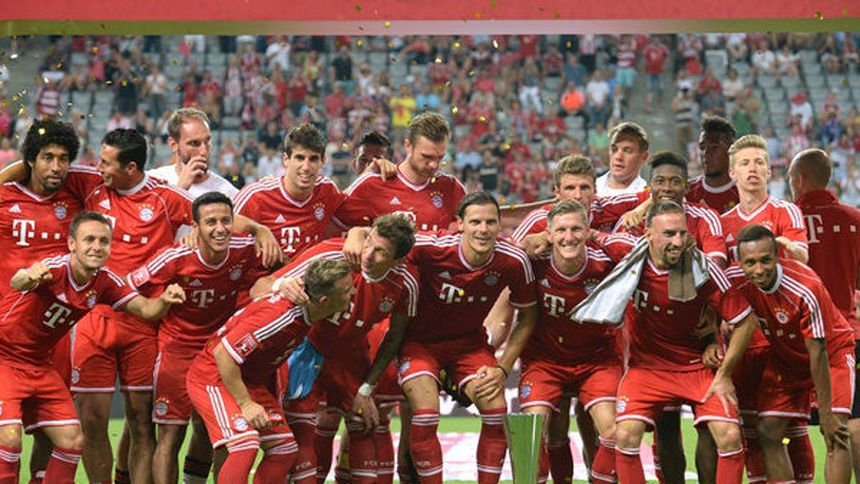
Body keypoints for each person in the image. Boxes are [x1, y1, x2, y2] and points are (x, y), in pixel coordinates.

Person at [65, 129, 277, 483]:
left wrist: (258, 229)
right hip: (95, 318)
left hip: (144, 322)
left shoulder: (165, 197)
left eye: (106, 162)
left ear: (130, 168)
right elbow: (34, 165)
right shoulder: (92, 184)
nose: (98, 167)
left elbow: (214, 218)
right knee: (92, 420)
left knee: (141, 423)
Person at [362, 191, 538, 483]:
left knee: (496, 411)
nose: (483, 229)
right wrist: (356, 235)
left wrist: (503, 368)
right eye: (475, 222)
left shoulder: (513, 260)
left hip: (469, 346)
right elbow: (384, 241)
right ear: (460, 224)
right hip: (419, 344)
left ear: (500, 225)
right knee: (426, 415)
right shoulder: (430, 247)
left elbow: (528, 316)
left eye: (490, 222)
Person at [0, 211, 186, 483]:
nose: (96, 247)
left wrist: (165, 300)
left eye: (103, 241)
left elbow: (147, 310)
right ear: (72, 243)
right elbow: (18, 282)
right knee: (9, 438)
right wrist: (29, 276)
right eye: (89, 240)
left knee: (73, 441)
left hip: (39, 364)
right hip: (4, 359)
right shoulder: (55, 268)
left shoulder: (105, 281)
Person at [597, 201, 759, 484]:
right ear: (648, 235)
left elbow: (746, 319)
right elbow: (590, 235)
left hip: (696, 366)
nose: (678, 241)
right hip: (646, 368)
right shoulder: (629, 254)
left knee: (730, 436)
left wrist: (724, 375)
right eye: (669, 234)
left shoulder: (703, 268)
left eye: (683, 233)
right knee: (625, 435)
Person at [257, 214, 419, 484]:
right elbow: (258, 288)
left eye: (381, 252)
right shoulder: (331, 254)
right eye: (369, 242)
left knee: (364, 424)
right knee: (303, 431)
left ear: (398, 260)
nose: (368, 254)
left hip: (352, 354)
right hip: (308, 348)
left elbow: (395, 338)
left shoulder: (406, 283)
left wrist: (367, 388)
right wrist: (281, 286)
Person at [129, 192, 268, 484]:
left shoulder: (245, 249)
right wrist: (162, 298)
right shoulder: (175, 256)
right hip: (177, 350)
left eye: (225, 221)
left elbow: (279, 267)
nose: (220, 229)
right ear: (195, 227)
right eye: (210, 222)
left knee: (217, 431)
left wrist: (262, 231)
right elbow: (130, 285)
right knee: (171, 433)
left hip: (219, 351)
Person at [186, 258, 354, 483]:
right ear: (324, 301)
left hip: (248, 380)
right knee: (245, 445)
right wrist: (246, 404)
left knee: (283, 449)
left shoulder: (306, 308)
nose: (353, 293)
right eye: (346, 291)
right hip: (214, 376)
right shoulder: (280, 316)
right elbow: (223, 354)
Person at [518, 200, 635, 483]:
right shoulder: (534, 262)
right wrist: (523, 243)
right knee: (529, 435)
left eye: (576, 230)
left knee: (614, 432)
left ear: (587, 231)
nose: (568, 237)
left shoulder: (604, 261)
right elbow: (502, 255)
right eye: (561, 230)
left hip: (597, 359)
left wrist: (599, 237)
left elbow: (641, 251)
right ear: (548, 234)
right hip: (544, 360)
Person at [729, 225, 854, 483]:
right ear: (740, 262)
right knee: (768, 431)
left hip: (832, 356)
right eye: (750, 263)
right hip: (787, 360)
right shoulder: (736, 282)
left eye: (766, 260)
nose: (759, 270)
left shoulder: (805, 286)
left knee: (836, 433)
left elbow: (818, 351)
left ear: (778, 256)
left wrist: (826, 414)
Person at [720, 133, 810, 483]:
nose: (753, 168)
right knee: (750, 429)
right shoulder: (723, 222)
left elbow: (804, 257)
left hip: (782, 337)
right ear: (732, 173)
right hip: (743, 339)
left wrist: (784, 244)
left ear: (770, 171)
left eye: (759, 162)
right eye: (745, 163)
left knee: (790, 428)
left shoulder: (784, 211)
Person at [0, 119, 84, 483]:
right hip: (6, 333)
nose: (56, 166)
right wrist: (16, 167)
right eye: (47, 157)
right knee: (8, 434)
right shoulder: (6, 197)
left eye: (63, 159)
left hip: (53, 335)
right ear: (31, 159)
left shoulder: (76, 201)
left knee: (53, 433)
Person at [788, 148, 860, 480]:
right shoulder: (854, 219)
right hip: (847, 336)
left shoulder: (787, 223)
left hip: (795, 340)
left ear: (800, 180)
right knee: (849, 427)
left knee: (779, 430)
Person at [334, 112, 466, 233]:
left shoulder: (452, 187)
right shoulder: (374, 183)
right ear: (408, 146)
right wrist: (357, 234)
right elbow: (331, 223)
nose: (434, 165)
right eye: (427, 157)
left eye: (440, 157)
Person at [234, 123, 346, 259]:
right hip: (264, 272)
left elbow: (354, 212)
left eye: (313, 159)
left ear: (323, 161)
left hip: (308, 271)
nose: (306, 167)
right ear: (286, 160)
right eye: (299, 158)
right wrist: (257, 229)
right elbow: (223, 223)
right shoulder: (255, 196)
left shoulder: (327, 190)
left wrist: (357, 232)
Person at [148, 108, 238, 199]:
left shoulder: (228, 193)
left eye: (207, 141)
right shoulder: (153, 182)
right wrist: (180, 189)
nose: (204, 151)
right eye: (194, 143)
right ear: (173, 145)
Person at [687, 117, 740, 214]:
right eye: (702, 147)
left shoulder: (744, 192)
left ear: (731, 151)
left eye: (714, 147)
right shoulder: (687, 192)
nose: (706, 153)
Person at [595, 122, 649, 196]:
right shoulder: (590, 188)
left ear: (643, 157)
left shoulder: (648, 196)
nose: (618, 157)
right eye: (614, 149)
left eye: (627, 151)